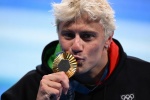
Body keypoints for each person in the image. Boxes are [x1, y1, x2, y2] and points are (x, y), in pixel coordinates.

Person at [1, 0, 150, 100]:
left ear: (108, 39)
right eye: (68, 35)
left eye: (87, 36)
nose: (76, 46)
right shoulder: (33, 86)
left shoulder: (144, 78)